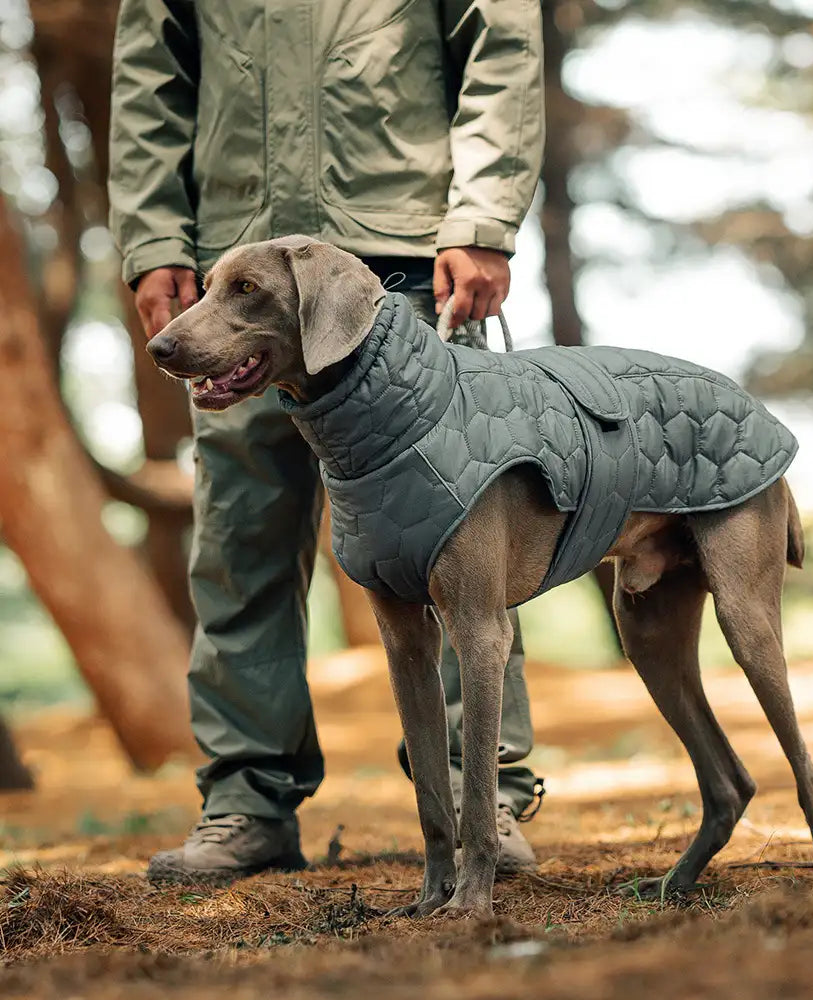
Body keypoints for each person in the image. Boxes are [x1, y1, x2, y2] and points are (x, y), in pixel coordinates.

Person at [108, 0, 545, 883]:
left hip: (403, 263)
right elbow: (147, 79)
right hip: (242, 278)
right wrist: (156, 238)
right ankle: (246, 803)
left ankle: (481, 796)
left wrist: (483, 216)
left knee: (458, 541)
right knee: (240, 544)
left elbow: (501, 39)